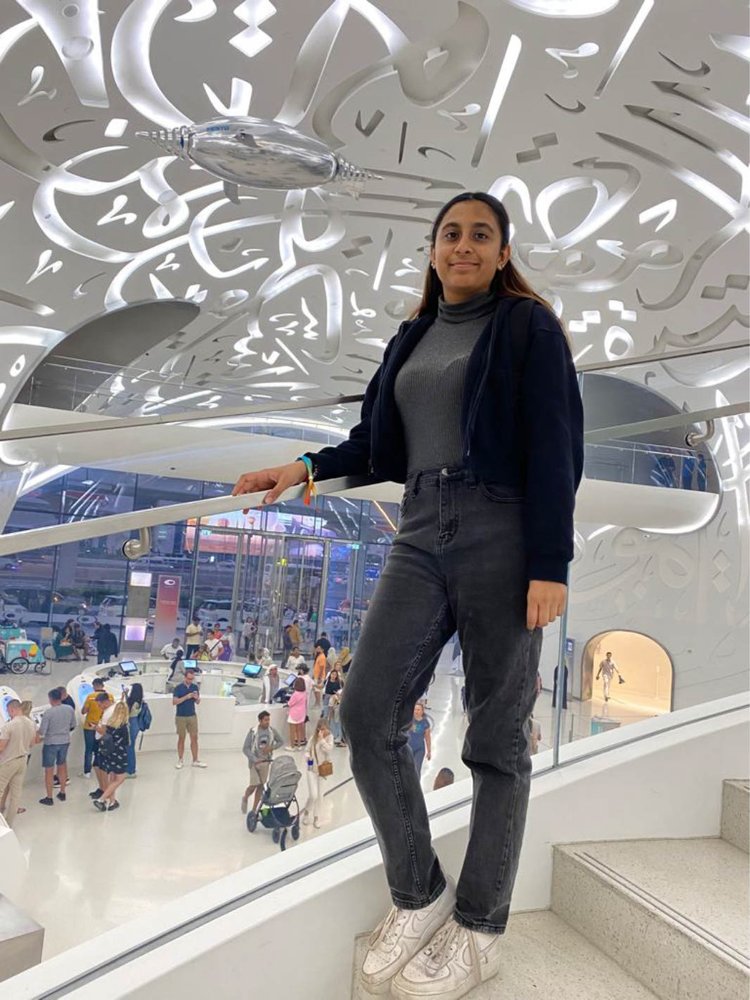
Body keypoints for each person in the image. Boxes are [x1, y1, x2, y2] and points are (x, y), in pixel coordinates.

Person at [232, 190, 582, 999]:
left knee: (497, 742)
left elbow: (557, 443)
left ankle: (482, 927)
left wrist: (551, 564)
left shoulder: (527, 327)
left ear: (502, 254)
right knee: (364, 712)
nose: (464, 245)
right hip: (420, 526)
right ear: (433, 251)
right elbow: (375, 444)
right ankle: (420, 892)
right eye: (451, 234)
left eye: (481, 235)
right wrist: (305, 467)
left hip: (503, 525)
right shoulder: (411, 338)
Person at [0, 699, 37, 828]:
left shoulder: (9, 726)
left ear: (11, 709)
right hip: (23, 761)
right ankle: (8, 825)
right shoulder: (31, 724)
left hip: (8, 762)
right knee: (16, 795)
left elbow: (1, 747)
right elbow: (32, 743)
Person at [37, 688, 76, 806]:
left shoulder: (49, 713)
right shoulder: (69, 709)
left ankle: (49, 797)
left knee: (49, 770)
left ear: (50, 699)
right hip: (65, 742)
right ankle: (62, 792)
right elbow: (73, 724)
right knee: (62, 766)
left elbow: (42, 731)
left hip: (51, 743)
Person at [241, 710, 284, 813]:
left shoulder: (272, 731)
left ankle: (254, 810)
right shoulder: (253, 732)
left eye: (268, 720)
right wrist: (255, 759)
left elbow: (281, 741)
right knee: (253, 785)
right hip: (254, 764)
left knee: (260, 786)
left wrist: (271, 748)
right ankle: (245, 797)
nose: (268, 722)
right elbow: (245, 748)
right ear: (260, 721)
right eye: (265, 720)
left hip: (265, 762)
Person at [93, 701, 130, 812]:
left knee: (112, 777)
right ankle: (102, 799)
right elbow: (126, 742)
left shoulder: (109, 724)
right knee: (120, 778)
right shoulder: (123, 727)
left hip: (109, 753)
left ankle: (112, 801)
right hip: (120, 754)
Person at [302, 717, 334, 829]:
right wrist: (308, 757)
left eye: (324, 729)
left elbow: (329, 750)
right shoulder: (313, 738)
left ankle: (316, 818)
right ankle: (306, 812)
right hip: (312, 770)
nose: (322, 731)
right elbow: (306, 750)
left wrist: (322, 740)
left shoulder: (330, 738)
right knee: (313, 795)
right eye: (320, 729)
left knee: (320, 796)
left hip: (323, 771)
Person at [173, 668, 207, 769]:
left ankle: (195, 760)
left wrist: (197, 698)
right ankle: (180, 759)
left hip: (192, 715)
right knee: (181, 738)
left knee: (194, 738)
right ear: (185, 677)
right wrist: (186, 697)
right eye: (189, 678)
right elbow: (174, 702)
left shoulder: (194, 687)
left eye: (192, 679)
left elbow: (198, 702)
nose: (190, 681)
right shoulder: (178, 688)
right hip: (181, 716)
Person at [80, 678, 114, 778]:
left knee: (89, 749)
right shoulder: (110, 697)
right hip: (104, 727)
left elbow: (84, 711)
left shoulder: (90, 697)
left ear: (94, 686)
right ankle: (98, 767)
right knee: (99, 749)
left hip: (90, 726)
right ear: (102, 685)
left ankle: (87, 772)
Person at [408, 702, 432, 776]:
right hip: (408, 748)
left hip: (419, 749)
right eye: (415, 709)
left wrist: (429, 751)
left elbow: (427, 738)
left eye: (418, 710)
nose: (416, 711)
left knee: (417, 768)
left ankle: (416, 785)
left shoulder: (425, 723)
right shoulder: (409, 720)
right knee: (407, 768)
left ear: (422, 711)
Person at [126, 683, 144, 777]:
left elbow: (126, 711)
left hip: (131, 723)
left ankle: (130, 770)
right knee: (131, 746)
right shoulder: (140, 701)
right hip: (136, 723)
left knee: (129, 747)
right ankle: (131, 767)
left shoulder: (132, 702)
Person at [285, 677, 308, 751]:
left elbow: (290, 703)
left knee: (292, 731)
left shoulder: (295, 694)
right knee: (298, 730)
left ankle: (292, 746)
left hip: (294, 714)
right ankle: (299, 745)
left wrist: (287, 704)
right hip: (301, 714)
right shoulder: (305, 693)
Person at [312, 643, 327, 707]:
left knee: (317, 690)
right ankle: (316, 702)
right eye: (317, 648)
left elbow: (321, 668)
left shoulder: (322, 657)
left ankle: (318, 703)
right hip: (316, 675)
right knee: (315, 690)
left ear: (322, 650)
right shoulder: (319, 656)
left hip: (319, 676)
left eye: (319, 648)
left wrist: (319, 678)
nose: (317, 649)